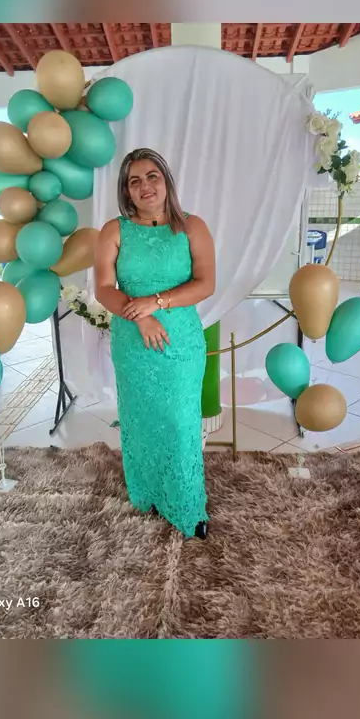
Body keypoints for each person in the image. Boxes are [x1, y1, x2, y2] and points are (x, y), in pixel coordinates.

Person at [94, 148, 216, 539]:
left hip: (180, 342)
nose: (144, 186)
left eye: (152, 176)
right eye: (134, 181)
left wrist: (157, 302)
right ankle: (146, 491)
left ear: (166, 181)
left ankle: (187, 505)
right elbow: (103, 288)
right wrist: (141, 315)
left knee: (180, 422)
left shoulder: (192, 226)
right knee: (140, 418)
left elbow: (205, 284)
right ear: (126, 191)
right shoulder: (114, 231)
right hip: (132, 342)